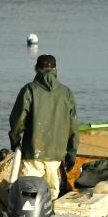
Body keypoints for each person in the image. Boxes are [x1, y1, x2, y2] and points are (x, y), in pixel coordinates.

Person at [8, 54, 79, 201]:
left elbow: (17, 121)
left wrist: (15, 141)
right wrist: (71, 156)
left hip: (32, 153)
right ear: (56, 69)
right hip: (56, 156)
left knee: (28, 196)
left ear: (36, 69)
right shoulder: (66, 93)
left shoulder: (29, 90)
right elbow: (73, 129)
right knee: (52, 196)